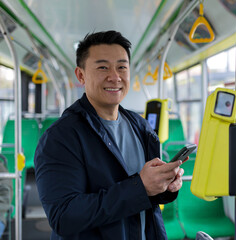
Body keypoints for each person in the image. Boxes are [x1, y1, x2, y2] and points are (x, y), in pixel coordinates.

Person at [34, 30, 185, 240]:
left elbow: (148, 194)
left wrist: (166, 186)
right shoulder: (61, 137)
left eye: (122, 67)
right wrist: (140, 187)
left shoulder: (140, 126)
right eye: (103, 67)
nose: (115, 77)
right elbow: (64, 216)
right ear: (81, 75)